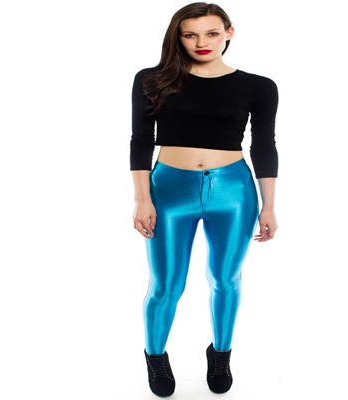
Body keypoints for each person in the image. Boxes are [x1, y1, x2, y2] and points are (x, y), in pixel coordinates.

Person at [130, 2, 279, 397]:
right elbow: (140, 141)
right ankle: (156, 356)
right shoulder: (152, 79)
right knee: (166, 285)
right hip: (169, 190)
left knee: (226, 279)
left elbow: (264, 145)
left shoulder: (259, 86)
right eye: (190, 34)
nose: (202, 42)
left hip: (233, 193)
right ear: (178, 37)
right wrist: (142, 198)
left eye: (212, 33)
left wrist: (268, 205)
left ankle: (221, 353)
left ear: (229, 32)